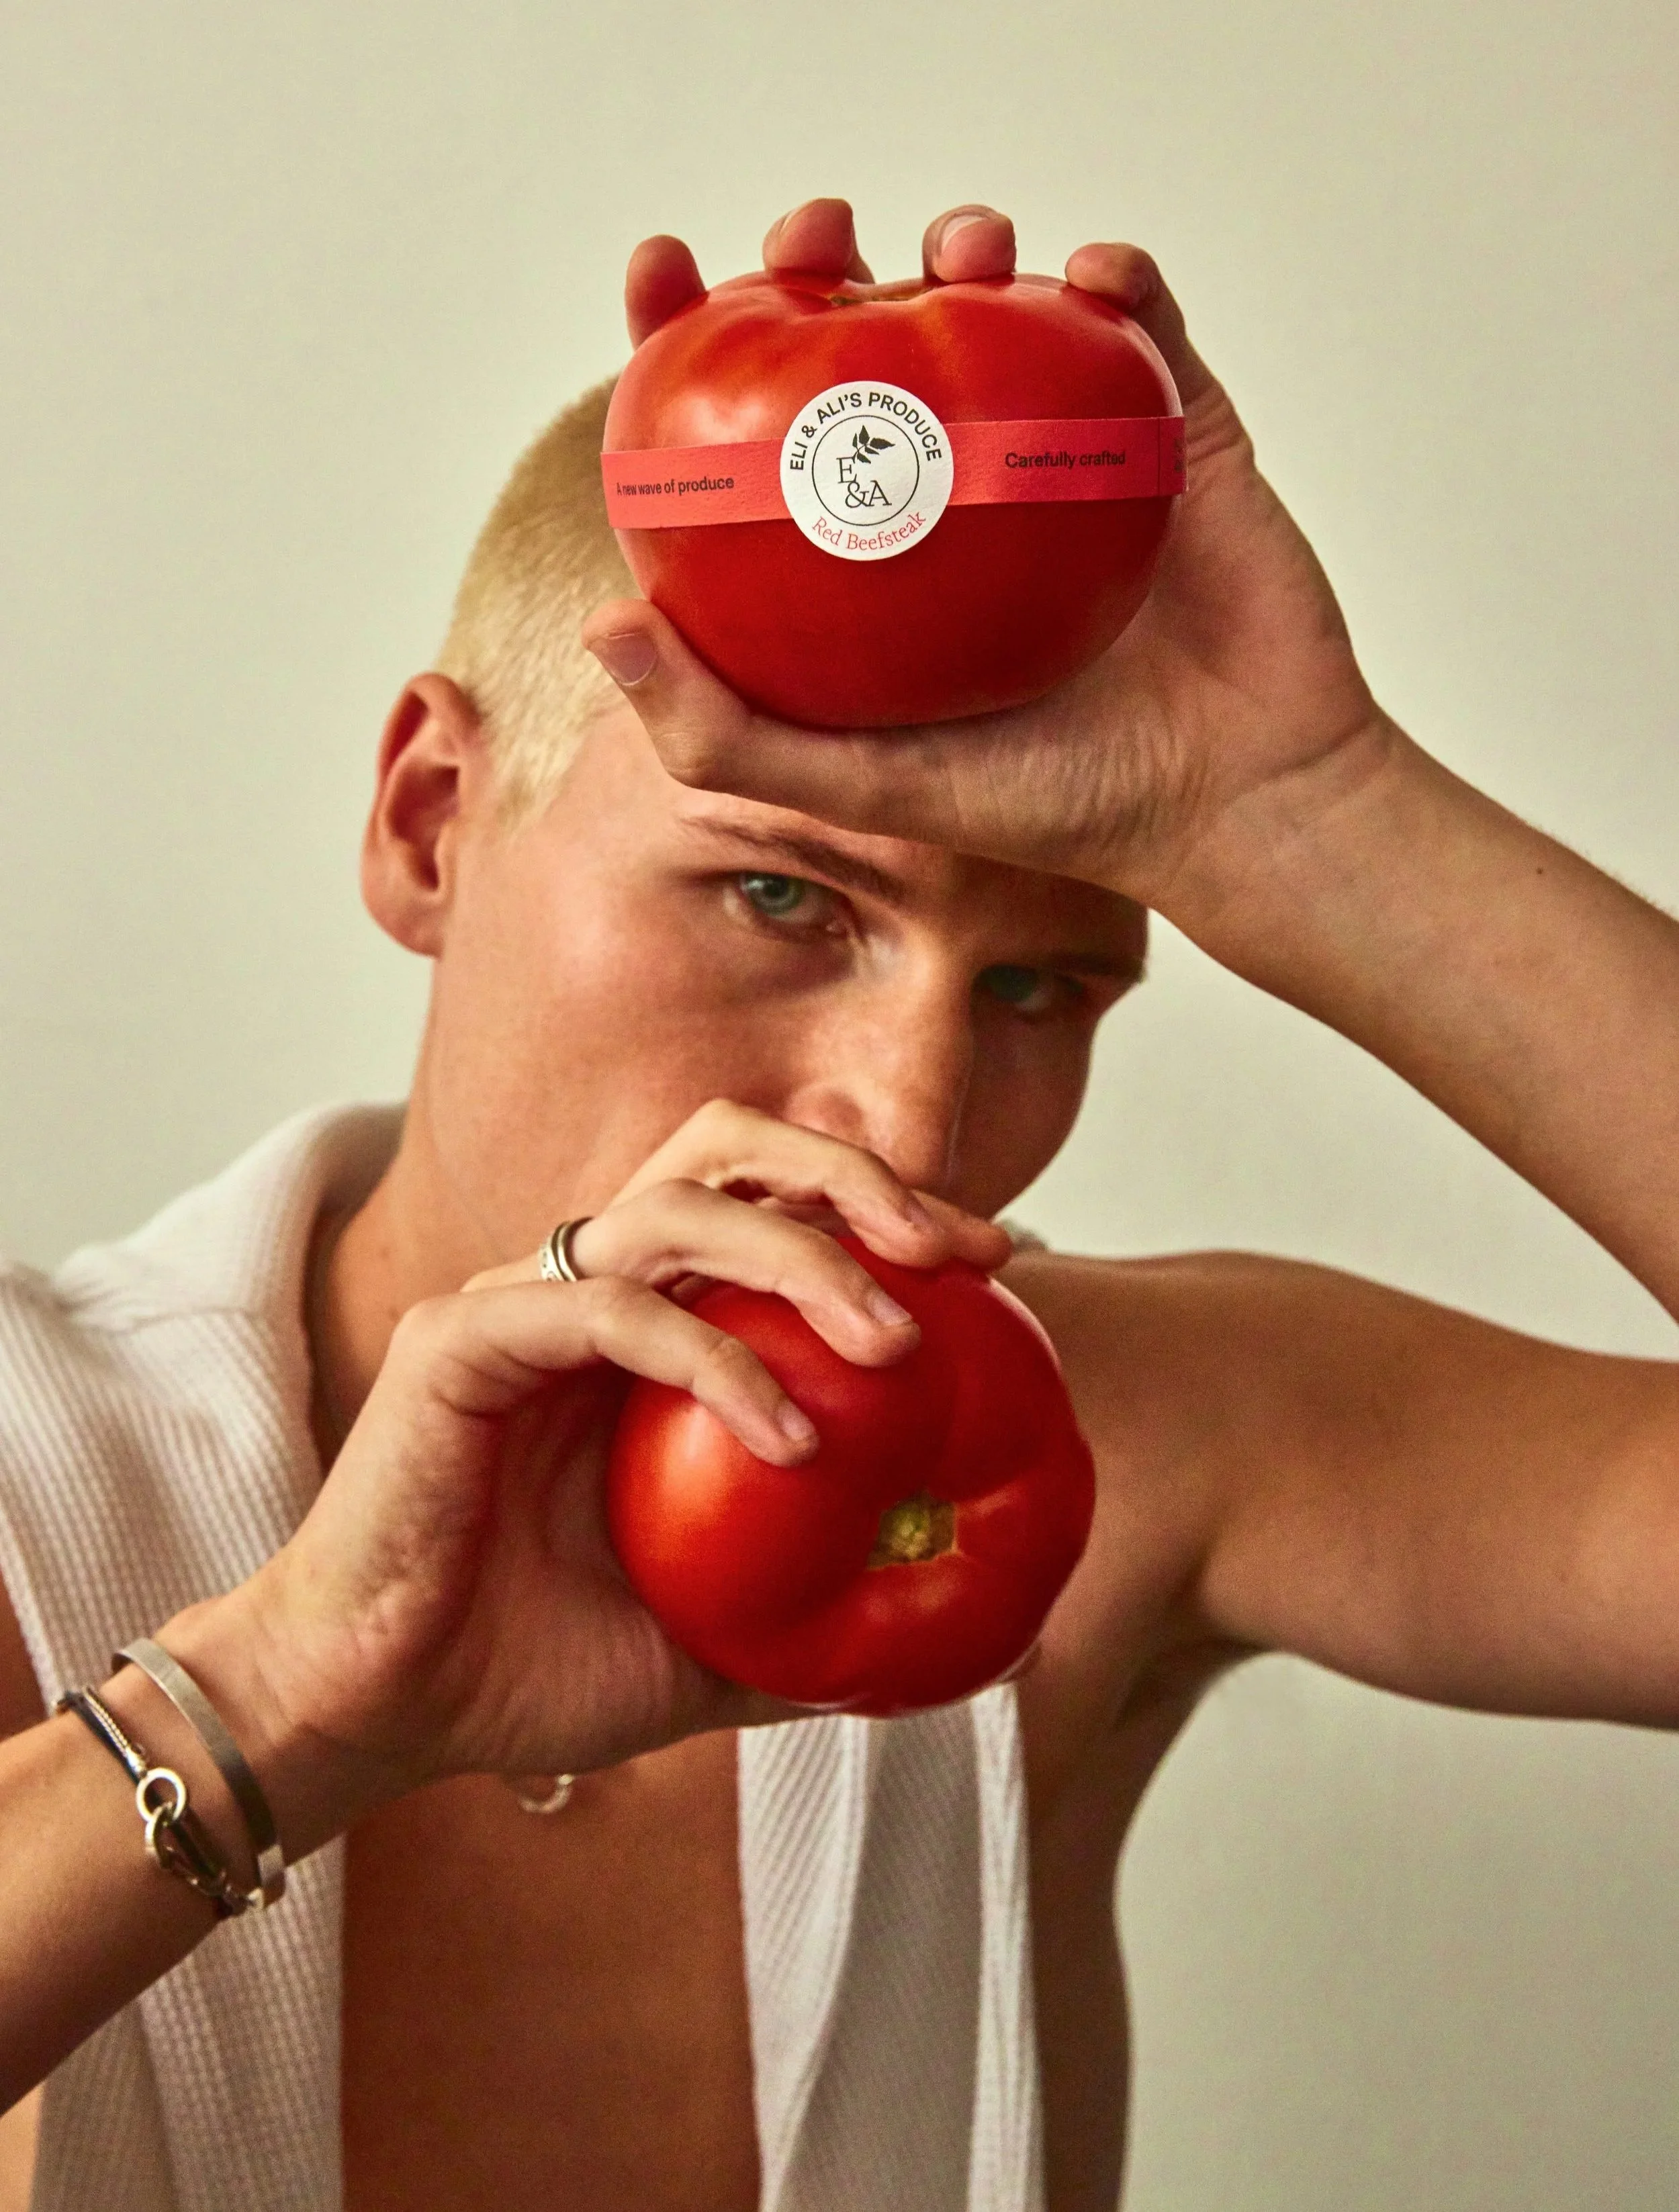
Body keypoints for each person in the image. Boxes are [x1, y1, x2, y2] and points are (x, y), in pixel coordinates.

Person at [1, 194, 1676, 2212]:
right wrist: (275, 1704)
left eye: (1040, 986)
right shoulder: (32, 1465)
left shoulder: (1107, 1435)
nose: (906, 1121)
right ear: (432, 822)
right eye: (781, 897)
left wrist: (1309, 814)